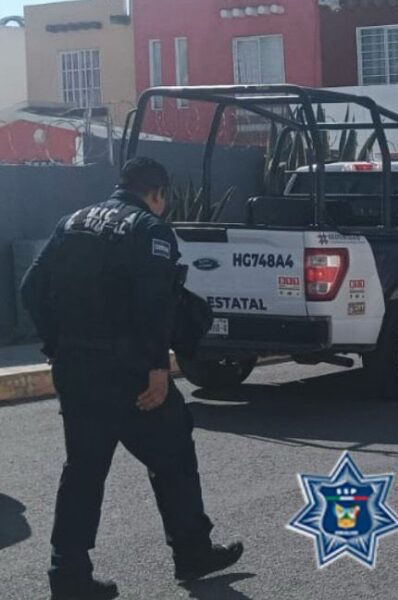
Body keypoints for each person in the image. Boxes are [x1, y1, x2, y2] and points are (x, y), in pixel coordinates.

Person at [21, 158, 243, 600]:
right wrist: (158, 369)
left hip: (76, 367)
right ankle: (192, 551)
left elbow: (31, 288)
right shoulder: (149, 229)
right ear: (157, 194)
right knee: (173, 452)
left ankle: (68, 575)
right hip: (129, 372)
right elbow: (154, 306)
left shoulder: (72, 222)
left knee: (83, 470)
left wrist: (56, 344)